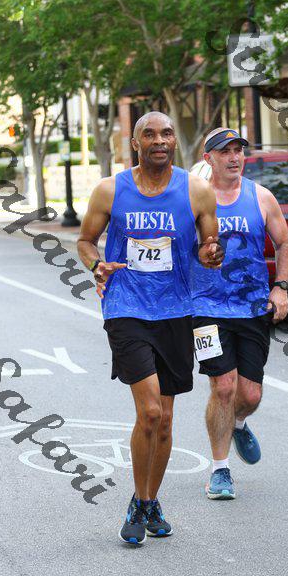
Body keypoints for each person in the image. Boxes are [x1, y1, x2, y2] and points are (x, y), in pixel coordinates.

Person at [77, 112, 222, 545]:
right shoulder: (110, 190)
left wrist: (211, 254)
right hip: (126, 308)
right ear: (135, 142)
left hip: (176, 310)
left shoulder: (196, 191)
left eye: (167, 133)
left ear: (174, 141)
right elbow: (85, 241)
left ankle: (149, 500)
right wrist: (96, 265)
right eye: (150, 134)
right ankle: (140, 503)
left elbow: (209, 248)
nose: (160, 140)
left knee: (166, 420)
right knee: (151, 412)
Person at [191, 127, 288, 499]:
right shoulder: (193, 200)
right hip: (205, 308)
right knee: (223, 386)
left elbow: (284, 243)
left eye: (238, 150)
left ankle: (237, 423)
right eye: (225, 151)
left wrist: (280, 287)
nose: (234, 157)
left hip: (252, 308)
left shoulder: (261, 197)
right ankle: (220, 470)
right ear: (209, 159)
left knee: (249, 395)